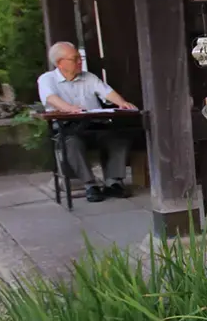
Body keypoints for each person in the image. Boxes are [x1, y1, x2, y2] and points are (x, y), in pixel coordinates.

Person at [37, 41, 138, 201]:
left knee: (118, 139)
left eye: (79, 57)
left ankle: (113, 183)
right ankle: (90, 185)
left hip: (95, 125)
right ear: (60, 63)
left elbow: (107, 92)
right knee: (71, 144)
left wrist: (122, 103)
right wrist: (69, 108)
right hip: (68, 128)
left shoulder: (89, 77)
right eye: (74, 58)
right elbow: (51, 98)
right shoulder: (47, 79)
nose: (79, 61)